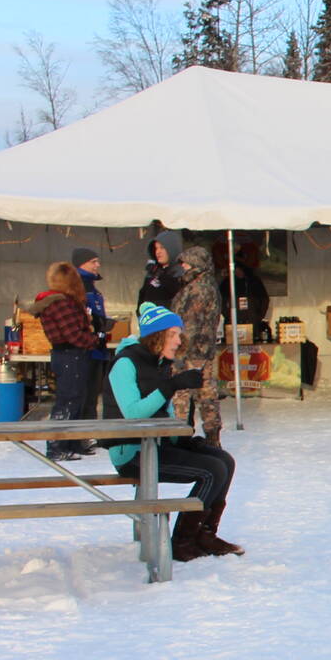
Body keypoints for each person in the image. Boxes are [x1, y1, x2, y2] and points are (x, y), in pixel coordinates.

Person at [106, 304, 242, 561]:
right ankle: (182, 541)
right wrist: (172, 386)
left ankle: (205, 533)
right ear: (156, 336)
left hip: (154, 446)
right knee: (212, 471)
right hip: (131, 453)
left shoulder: (158, 363)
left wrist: (182, 440)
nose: (179, 341)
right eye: (173, 334)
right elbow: (133, 414)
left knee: (224, 460)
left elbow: (163, 415)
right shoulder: (125, 364)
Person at [33, 261, 104, 460]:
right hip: (70, 355)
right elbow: (73, 335)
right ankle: (57, 446)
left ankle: (72, 442)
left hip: (68, 355)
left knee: (76, 400)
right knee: (67, 402)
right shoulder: (61, 303)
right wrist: (95, 339)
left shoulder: (57, 301)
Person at [169, 246, 226, 447]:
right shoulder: (207, 285)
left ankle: (178, 437)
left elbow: (189, 325)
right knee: (207, 395)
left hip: (189, 353)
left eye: (185, 263)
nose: (182, 267)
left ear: (195, 265)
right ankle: (212, 437)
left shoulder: (197, 289)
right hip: (203, 351)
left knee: (183, 395)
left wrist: (177, 352)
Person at [72, 250, 116, 420]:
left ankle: (86, 437)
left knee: (92, 397)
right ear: (81, 264)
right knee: (84, 397)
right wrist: (97, 323)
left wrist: (103, 324)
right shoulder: (78, 286)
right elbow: (80, 316)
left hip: (98, 348)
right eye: (93, 261)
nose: (97, 265)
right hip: (86, 350)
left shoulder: (92, 288)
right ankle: (80, 438)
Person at [138, 235, 185, 310]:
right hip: (149, 318)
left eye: (162, 248)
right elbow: (143, 294)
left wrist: (159, 274)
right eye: (156, 248)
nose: (158, 252)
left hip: (168, 318)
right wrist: (139, 312)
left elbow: (177, 293)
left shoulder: (180, 272)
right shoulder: (153, 270)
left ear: (172, 249)